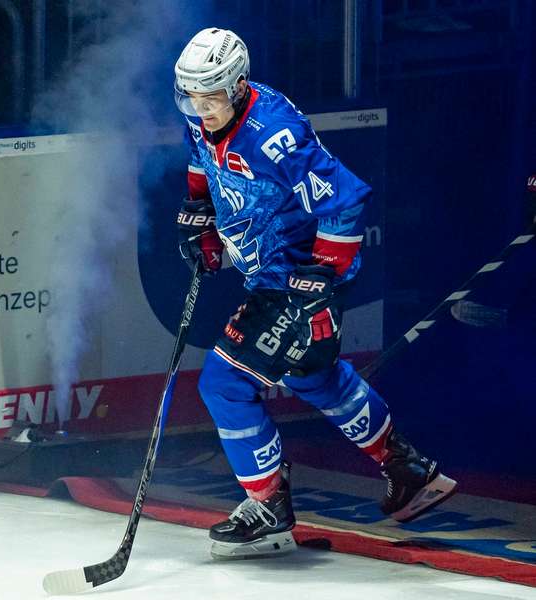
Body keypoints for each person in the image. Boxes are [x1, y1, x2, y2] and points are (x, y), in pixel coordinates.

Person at [173, 28, 457, 559]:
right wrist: (200, 213)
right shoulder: (204, 116)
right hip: (270, 273)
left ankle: (269, 508)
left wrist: (321, 277)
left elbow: (344, 200)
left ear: (237, 86)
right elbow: (200, 159)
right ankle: (409, 470)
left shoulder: (273, 135)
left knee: (224, 384)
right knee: (313, 377)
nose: (198, 108)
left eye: (209, 97)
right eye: (189, 96)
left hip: (294, 278)